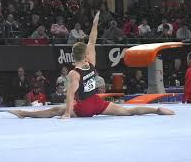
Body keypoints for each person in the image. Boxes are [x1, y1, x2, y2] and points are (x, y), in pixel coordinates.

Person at [9, 12, 175, 119]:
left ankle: (23, 113)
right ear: (85, 55)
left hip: (84, 108)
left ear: (73, 56)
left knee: (55, 110)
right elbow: (93, 40)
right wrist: (95, 24)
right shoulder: (92, 63)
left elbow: (69, 96)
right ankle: (157, 110)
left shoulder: (74, 73)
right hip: (98, 103)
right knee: (128, 111)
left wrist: (67, 113)